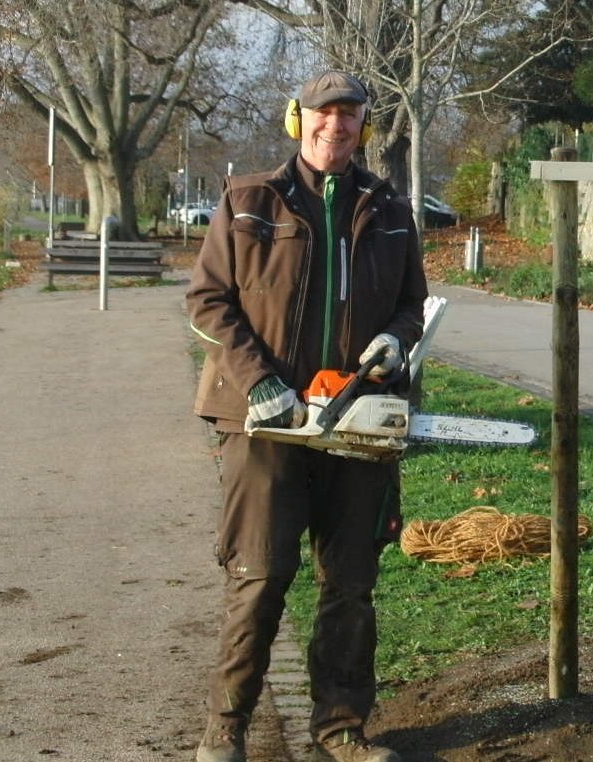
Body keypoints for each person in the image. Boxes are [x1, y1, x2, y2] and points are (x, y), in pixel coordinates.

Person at [186, 70, 427, 762]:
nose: (336, 126)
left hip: (357, 423)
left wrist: (397, 340)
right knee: (259, 575)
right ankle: (225, 727)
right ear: (300, 120)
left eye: (349, 115)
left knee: (350, 583)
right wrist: (258, 381)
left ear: (363, 127)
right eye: (324, 113)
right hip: (266, 424)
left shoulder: (388, 209)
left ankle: (341, 729)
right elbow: (208, 303)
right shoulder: (249, 200)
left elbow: (412, 304)